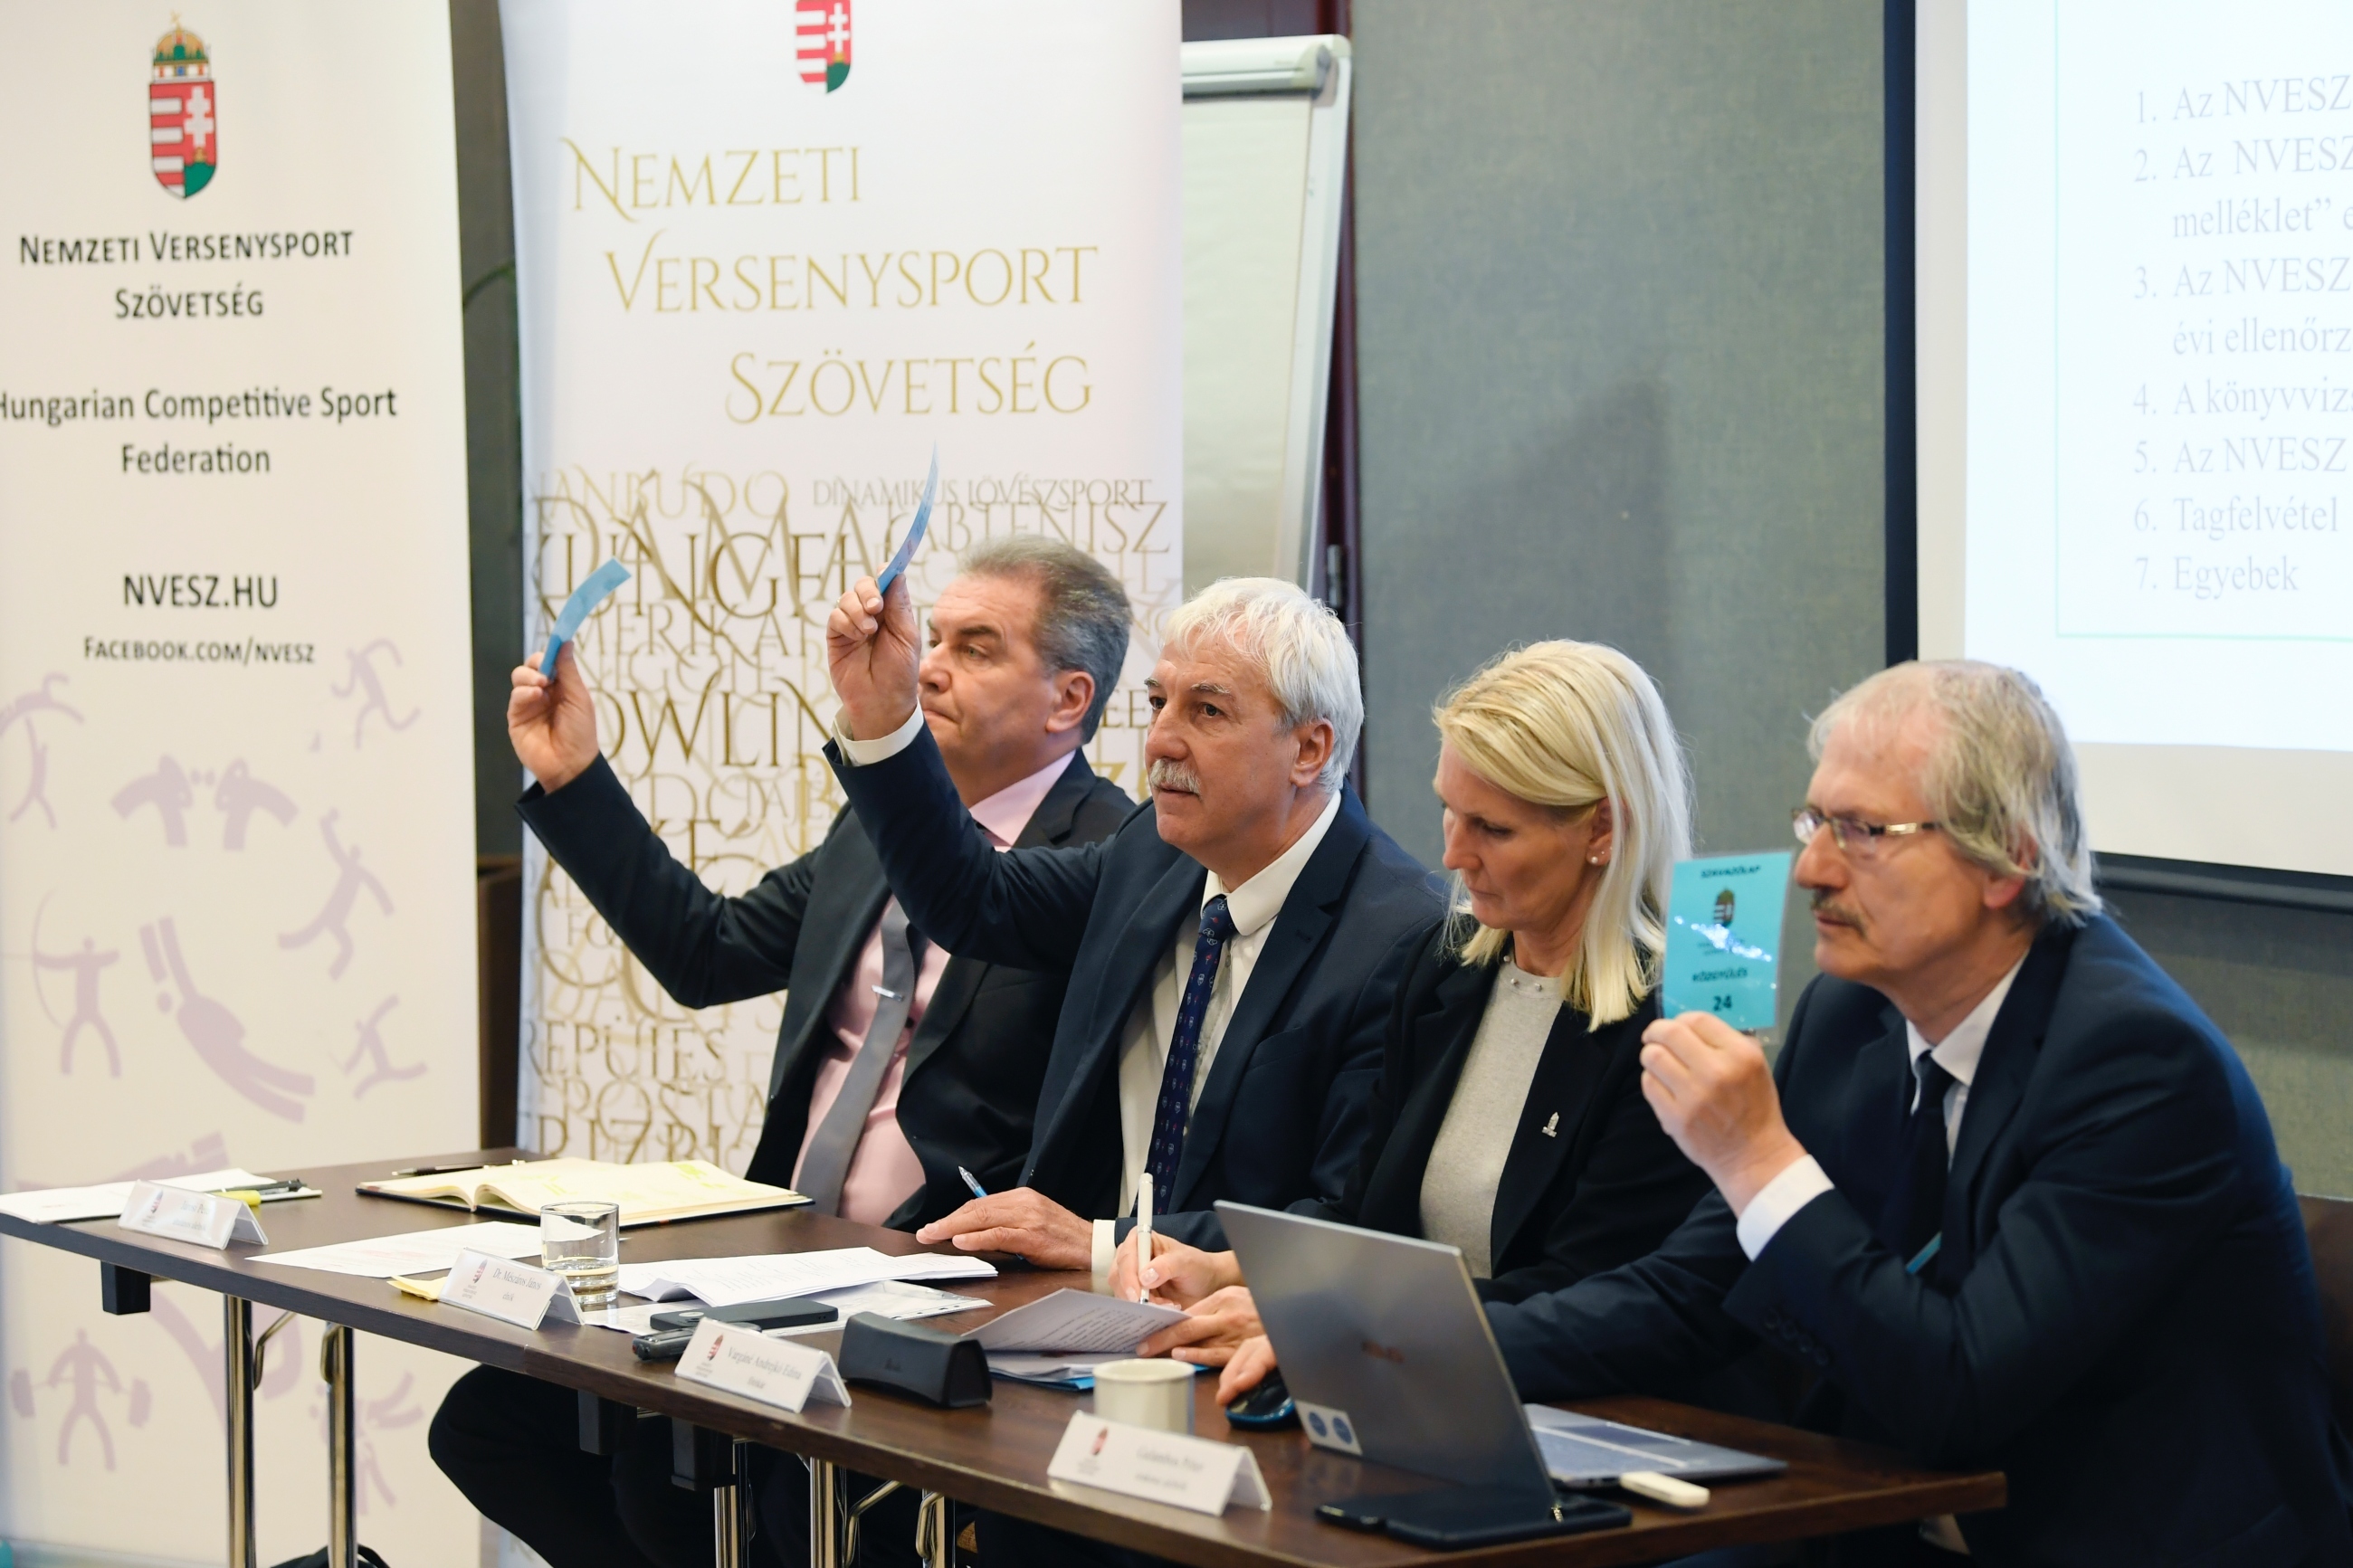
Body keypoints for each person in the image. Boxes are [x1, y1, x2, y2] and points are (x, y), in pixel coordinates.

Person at [1224, 660, 2353, 1566]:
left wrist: (1758, 1156)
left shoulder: (2136, 1065)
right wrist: (1380, 1345)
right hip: (1874, 1518)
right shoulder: (1850, 1017)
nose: (1809, 868)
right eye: (1813, 820)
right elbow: (1690, 1288)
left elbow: (1959, 1390)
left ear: (2004, 859)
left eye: (1861, 831)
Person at [430, 537, 1137, 1568]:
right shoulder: (877, 829)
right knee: (494, 1423)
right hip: (784, 1260)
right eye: (934, 638)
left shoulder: (1114, 859)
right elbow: (705, 950)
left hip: (943, 1292)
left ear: (1068, 698)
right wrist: (573, 775)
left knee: (675, 1486)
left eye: (976, 647)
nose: (930, 666)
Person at [1109, 641, 1714, 1375]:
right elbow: (1365, 1217)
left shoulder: (1673, 1022)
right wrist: (1228, 1268)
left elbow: (1587, 1295)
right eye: (1449, 813)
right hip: (1400, 1379)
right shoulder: (1444, 967)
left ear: (1601, 829)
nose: (1454, 854)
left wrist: (1327, 1314)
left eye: (1493, 829)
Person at [824, 573, 1445, 1278]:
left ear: (1309, 750)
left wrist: (1102, 1243)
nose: (1161, 742)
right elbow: (973, 898)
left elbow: (1341, 1221)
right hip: (1064, 1304)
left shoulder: (1403, 937)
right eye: (1157, 703)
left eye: (1207, 711)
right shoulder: (1154, 848)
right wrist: (884, 714)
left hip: (1239, 1322)